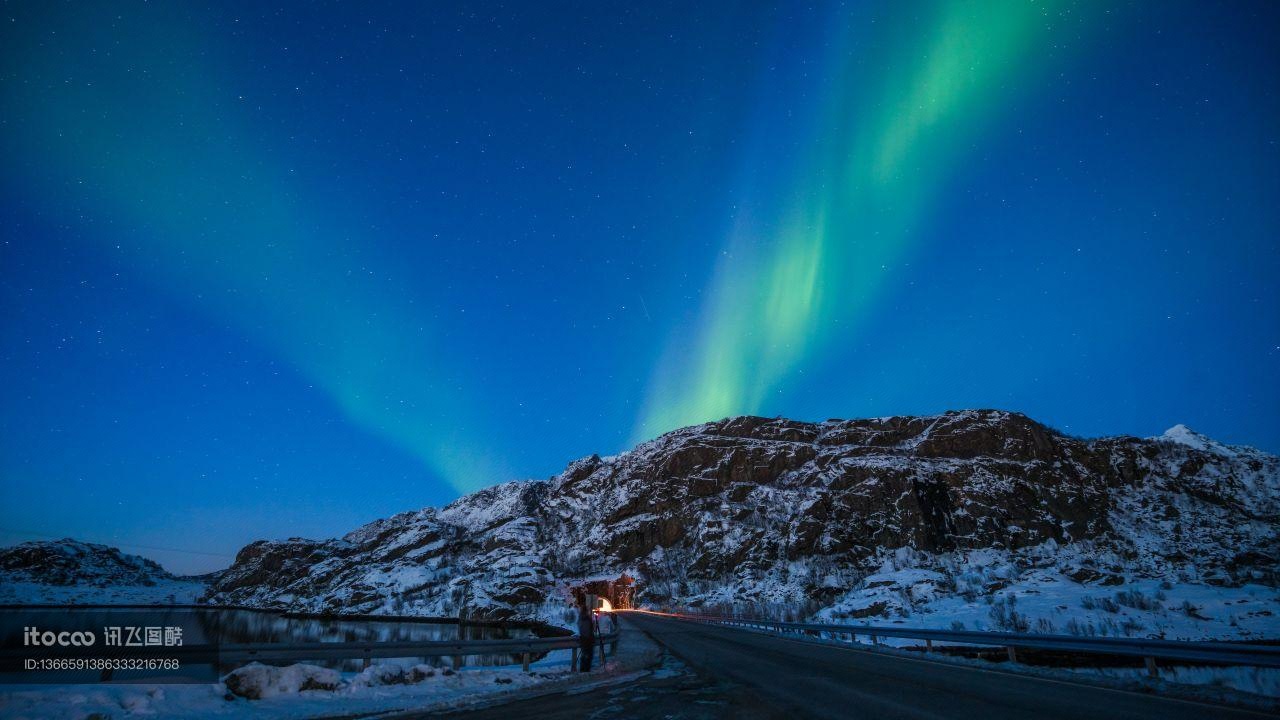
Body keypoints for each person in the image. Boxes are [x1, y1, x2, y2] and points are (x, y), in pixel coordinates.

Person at [576, 596, 596, 672]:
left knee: (584, 655)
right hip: (588, 639)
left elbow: (581, 628)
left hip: (583, 639)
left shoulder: (580, 618)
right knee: (588, 655)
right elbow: (590, 629)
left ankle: (583, 668)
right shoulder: (586, 619)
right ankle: (586, 669)